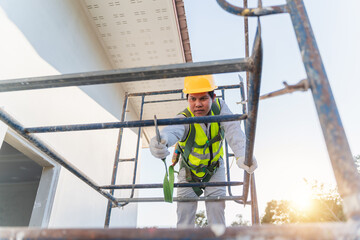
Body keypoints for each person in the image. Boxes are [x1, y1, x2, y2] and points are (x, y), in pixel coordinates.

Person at [149, 75, 257, 227]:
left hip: (215, 169)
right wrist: (161, 141)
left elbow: (233, 129)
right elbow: (172, 130)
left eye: (203, 99)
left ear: (213, 97)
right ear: (188, 99)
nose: (197, 104)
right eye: (193, 99)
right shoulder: (184, 117)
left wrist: (243, 154)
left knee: (216, 211)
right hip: (188, 173)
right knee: (184, 218)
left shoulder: (219, 108)